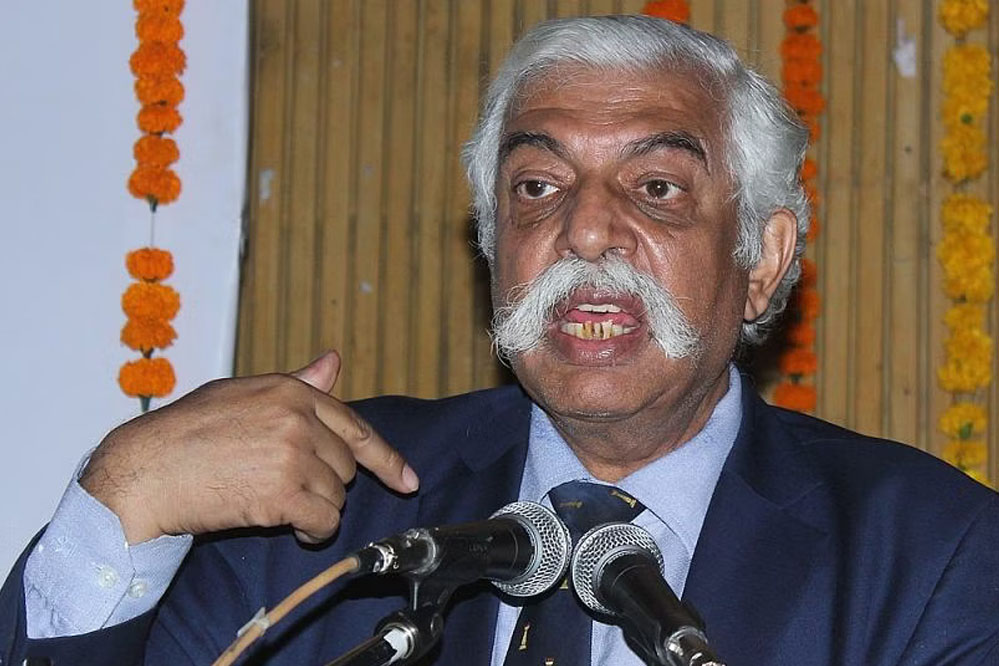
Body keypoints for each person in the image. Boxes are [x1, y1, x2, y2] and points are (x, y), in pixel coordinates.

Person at [3, 14, 998, 666]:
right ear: (493, 241)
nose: (587, 230)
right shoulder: (318, 518)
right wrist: (121, 496)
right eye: (537, 187)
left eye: (656, 188)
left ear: (762, 259)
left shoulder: (931, 557)